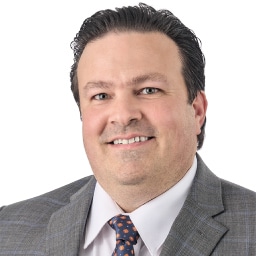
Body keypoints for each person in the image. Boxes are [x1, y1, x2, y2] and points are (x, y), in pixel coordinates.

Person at [0, 3, 255, 255]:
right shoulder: (8, 229)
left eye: (149, 90)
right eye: (101, 95)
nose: (123, 115)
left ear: (197, 110)